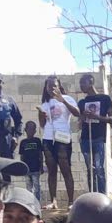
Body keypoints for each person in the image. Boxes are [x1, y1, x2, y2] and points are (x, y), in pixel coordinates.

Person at [39, 75, 80, 210]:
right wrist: (41, 115)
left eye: (54, 85)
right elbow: (42, 124)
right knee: (51, 171)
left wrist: (63, 100)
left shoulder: (67, 99)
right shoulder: (45, 103)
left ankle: (70, 202)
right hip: (48, 138)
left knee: (66, 169)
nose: (52, 88)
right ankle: (53, 201)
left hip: (63, 138)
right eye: (49, 86)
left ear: (59, 86)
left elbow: (77, 113)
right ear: (46, 88)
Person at [78, 73, 112, 195]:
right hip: (85, 138)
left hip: (98, 138)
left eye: (83, 83)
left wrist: (96, 117)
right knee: (90, 169)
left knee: (99, 168)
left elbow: (111, 119)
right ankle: (92, 195)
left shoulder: (105, 99)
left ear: (91, 83)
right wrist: (82, 117)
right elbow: (79, 121)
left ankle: (102, 196)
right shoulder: (82, 102)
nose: (81, 86)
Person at [19, 121, 45, 204]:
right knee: (28, 187)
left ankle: (37, 203)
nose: (31, 131)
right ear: (25, 130)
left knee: (37, 187)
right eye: (29, 129)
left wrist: (41, 166)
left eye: (32, 129)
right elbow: (22, 156)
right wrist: (22, 167)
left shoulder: (37, 141)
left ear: (35, 131)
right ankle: (29, 203)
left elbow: (40, 154)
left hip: (36, 168)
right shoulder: (23, 142)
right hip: (27, 169)